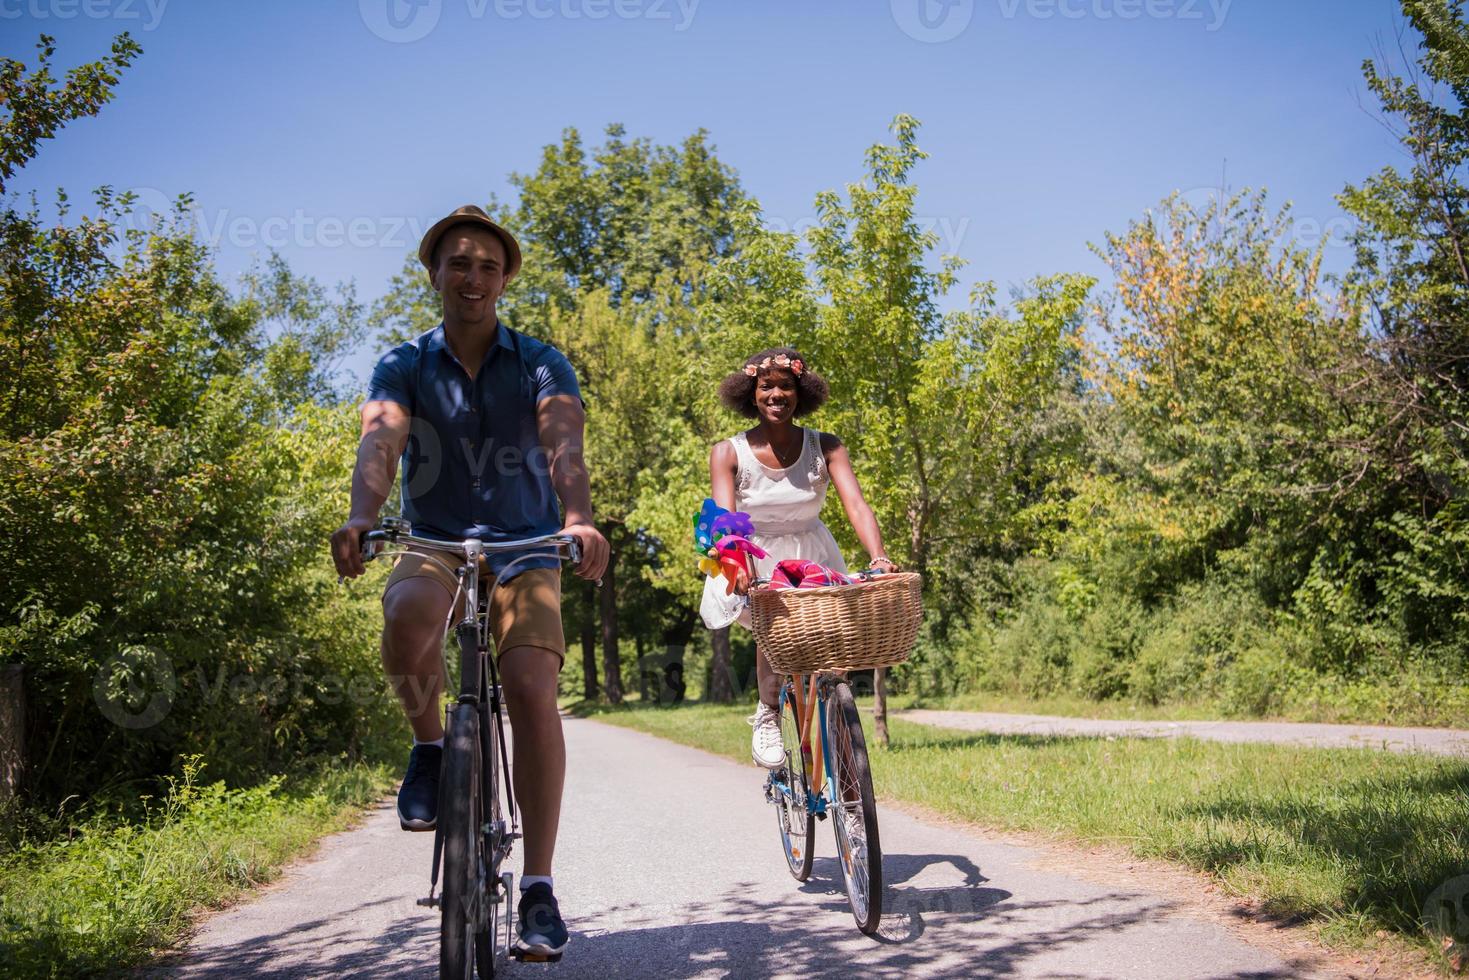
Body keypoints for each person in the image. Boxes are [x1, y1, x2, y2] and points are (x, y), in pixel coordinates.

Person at [330, 205, 608, 959]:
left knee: (528, 687)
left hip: (526, 545)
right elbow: (380, 436)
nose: (472, 277)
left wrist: (577, 517)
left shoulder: (541, 359)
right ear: (434, 274)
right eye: (458, 263)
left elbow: (562, 438)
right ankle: (429, 746)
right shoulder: (404, 362)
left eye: (487, 266)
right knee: (409, 612)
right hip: (436, 538)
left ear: (505, 277)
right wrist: (362, 515)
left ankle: (539, 887)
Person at [699, 348, 897, 769]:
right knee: (775, 634)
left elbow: (856, 506)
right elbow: (726, 517)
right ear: (750, 394)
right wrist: (738, 561)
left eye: (785, 386)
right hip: (754, 554)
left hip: (813, 552)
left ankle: (845, 761)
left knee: (833, 656)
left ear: (799, 392)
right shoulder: (728, 452)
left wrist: (878, 557)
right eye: (765, 386)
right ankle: (768, 713)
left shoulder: (826, 446)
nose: (776, 394)